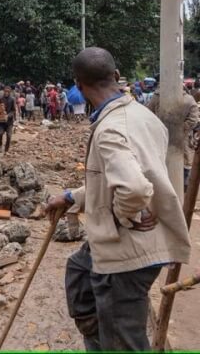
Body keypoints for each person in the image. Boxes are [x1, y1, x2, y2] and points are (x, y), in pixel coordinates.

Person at [45, 47, 191, 351]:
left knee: (123, 341)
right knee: (80, 273)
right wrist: (73, 196)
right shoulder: (142, 116)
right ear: (116, 76)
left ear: (79, 86)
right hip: (135, 242)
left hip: (127, 253)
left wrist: (125, 216)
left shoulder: (111, 130)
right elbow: (124, 180)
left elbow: (135, 189)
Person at [146, 86, 200, 190]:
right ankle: (183, 186)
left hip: (160, 136)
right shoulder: (189, 99)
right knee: (185, 160)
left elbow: (148, 113)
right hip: (181, 138)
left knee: (160, 160)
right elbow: (193, 119)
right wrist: (181, 129)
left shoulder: (157, 97)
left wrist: (157, 127)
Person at [0, 86, 15, 153]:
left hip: (9, 122)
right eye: (5, 91)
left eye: (7, 92)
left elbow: (13, 110)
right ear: (3, 91)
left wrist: (8, 115)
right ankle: (0, 145)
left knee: (9, 136)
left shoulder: (12, 99)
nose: (6, 93)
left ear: (10, 92)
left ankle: (6, 149)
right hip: (1, 121)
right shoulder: (0, 98)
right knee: (0, 134)